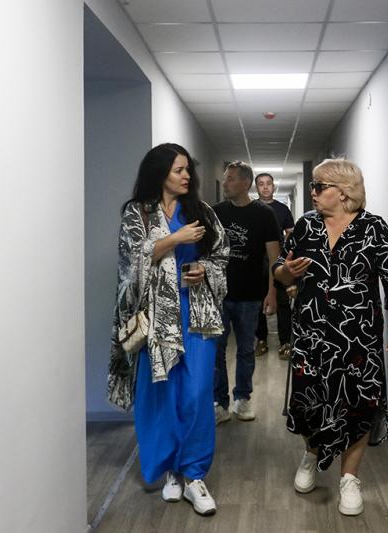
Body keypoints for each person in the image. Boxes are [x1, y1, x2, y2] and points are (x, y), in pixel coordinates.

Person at [273, 158, 388, 516]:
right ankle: (312, 453)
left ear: (344, 191)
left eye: (320, 186)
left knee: (360, 403)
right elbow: (281, 272)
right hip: (311, 334)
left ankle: (349, 478)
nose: (313, 193)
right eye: (313, 186)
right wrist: (286, 271)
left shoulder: (374, 229)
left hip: (358, 338)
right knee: (309, 399)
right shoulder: (306, 226)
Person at [107, 143, 229, 516]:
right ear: (160, 173)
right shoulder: (138, 213)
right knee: (161, 396)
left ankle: (194, 474)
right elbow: (131, 261)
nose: (187, 175)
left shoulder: (202, 211)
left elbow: (221, 255)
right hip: (157, 319)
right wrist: (176, 239)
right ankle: (170, 470)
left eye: (188, 169)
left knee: (197, 394)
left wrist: (204, 270)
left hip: (197, 315)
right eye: (179, 170)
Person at [213, 162, 281, 423]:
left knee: (245, 350)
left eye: (230, 179)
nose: (225, 183)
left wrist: (272, 293)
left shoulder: (264, 214)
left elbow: (274, 258)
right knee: (216, 351)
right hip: (219, 294)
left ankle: (242, 398)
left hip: (251, 295)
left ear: (245, 183)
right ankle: (219, 402)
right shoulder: (217, 212)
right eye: (225, 178)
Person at [254, 172, 295, 360]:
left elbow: (290, 233)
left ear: (273, 186)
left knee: (282, 302)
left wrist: (285, 250)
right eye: (261, 184)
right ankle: (261, 340)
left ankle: (285, 342)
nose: (265, 187)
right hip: (257, 262)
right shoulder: (252, 208)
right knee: (258, 301)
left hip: (279, 261)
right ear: (256, 187)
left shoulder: (282, 209)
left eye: (268, 184)